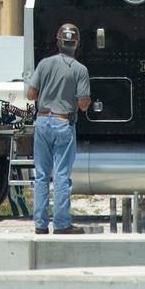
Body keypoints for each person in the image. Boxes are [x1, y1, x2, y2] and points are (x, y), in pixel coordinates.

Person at [27, 22, 91, 235]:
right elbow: (83, 104)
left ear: (58, 42)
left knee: (41, 175)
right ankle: (62, 223)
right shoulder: (80, 70)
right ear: (77, 44)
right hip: (64, 122)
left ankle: (40, 224)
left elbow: (31, 94)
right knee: (62, 175)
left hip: (43, 121)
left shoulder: (44, 64)